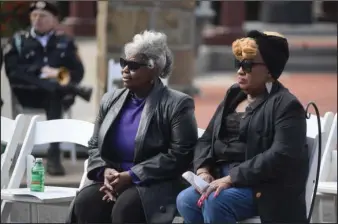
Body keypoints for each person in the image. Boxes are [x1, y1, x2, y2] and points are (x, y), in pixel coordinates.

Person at [176, 30, 309, 223]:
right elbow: (208, 137)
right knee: (186, 200)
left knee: (216, 202)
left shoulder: (286, 105)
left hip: (263, 187)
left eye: (247, 65)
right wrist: (203, 170)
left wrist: (232, 178)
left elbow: (281, 154)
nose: (240, 70)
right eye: (238, 63)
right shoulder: (234, 94)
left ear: (269, 70)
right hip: (222, 178)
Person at [66, 30, 198, 224]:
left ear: (154, 69)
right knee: (86, 202)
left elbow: (181, 154)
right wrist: (104, 171)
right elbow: (94, 143)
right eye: (124, 63)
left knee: (126, 207)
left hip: (155, 183)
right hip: (113, 179)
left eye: (134, 65)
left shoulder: (178, 104)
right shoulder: (110, 100)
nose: (125, 70)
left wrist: (133, 175)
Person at [3, 1, 92, 176]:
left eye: (43, 16)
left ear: (54, 20)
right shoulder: (19, 40)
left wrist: (59, 73)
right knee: (56, 92)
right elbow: (13, 72)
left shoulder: (65, 42)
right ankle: (54, 155)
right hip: (27, 93)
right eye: (34, 15)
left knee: (55, 95)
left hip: (54, 97)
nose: (37, 19)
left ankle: (54, 156)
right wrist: (39, 72)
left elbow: (78, 72)